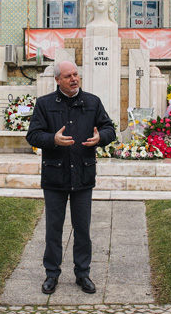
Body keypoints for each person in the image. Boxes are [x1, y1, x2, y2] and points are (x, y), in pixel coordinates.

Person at [26, 60, 115, 295]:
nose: (74, 79)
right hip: (55, 176)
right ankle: (51, 274)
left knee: (82, 229)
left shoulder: (92, 102)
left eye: (76, 74)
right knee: (53, 229)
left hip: (83, 175)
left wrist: (101, 138)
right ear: (57, 80)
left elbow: (109, 128)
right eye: (68, 76)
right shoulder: (44, 104)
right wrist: (52, 140)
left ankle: (82, 273)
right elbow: (33, 135)